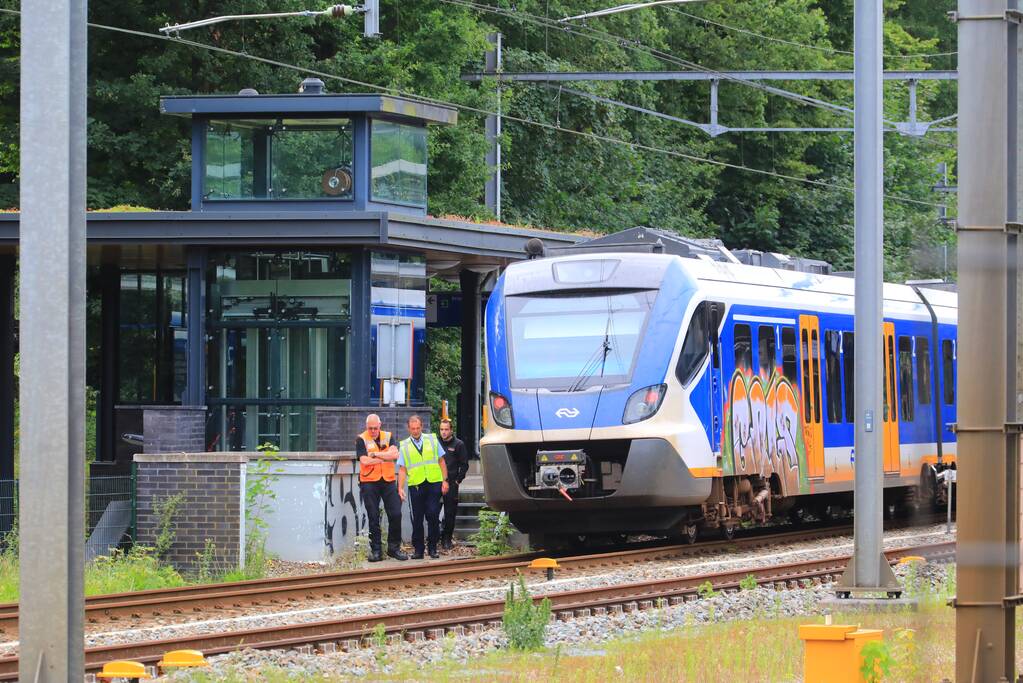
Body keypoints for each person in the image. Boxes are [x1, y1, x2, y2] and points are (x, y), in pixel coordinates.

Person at [355, 414, 408, 563]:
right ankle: (376, 551)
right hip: (369, 481)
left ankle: (393, 548)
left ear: (380, 425)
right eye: (370, 428)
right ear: (367, 427)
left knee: (396, 513)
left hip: (388, 480)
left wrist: (375, 454)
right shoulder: (361, 439)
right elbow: (364, 460)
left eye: (375, 428)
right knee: (373, 516)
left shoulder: (388, 436)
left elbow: (396, 454)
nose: (373, 431)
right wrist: (385, 457)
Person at [397, 415, 449, 559]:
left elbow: (441, 461)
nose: (415, 431)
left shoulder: (432, 439)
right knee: (417, 518)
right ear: (409, 428)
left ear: (422, 427)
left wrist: (445, 481)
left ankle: (432, 548)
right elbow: (402, 469)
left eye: (418, 428)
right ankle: (418, 550)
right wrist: (400, 488)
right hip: (416, 485)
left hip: (433, 482)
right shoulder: (404, 445)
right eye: (412, 428)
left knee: (432, 515)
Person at [438, 418, 469, 550]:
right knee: (433, 513)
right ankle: (435, 538)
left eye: (446, 429)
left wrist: (458, 480)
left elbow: (464, 465)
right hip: (436, 482)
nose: (443, 432)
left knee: (450, 514)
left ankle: (447, 540)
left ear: (451, 430)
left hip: (451, 483)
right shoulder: (436, 443)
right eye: (441, 429)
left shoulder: (458, 444)